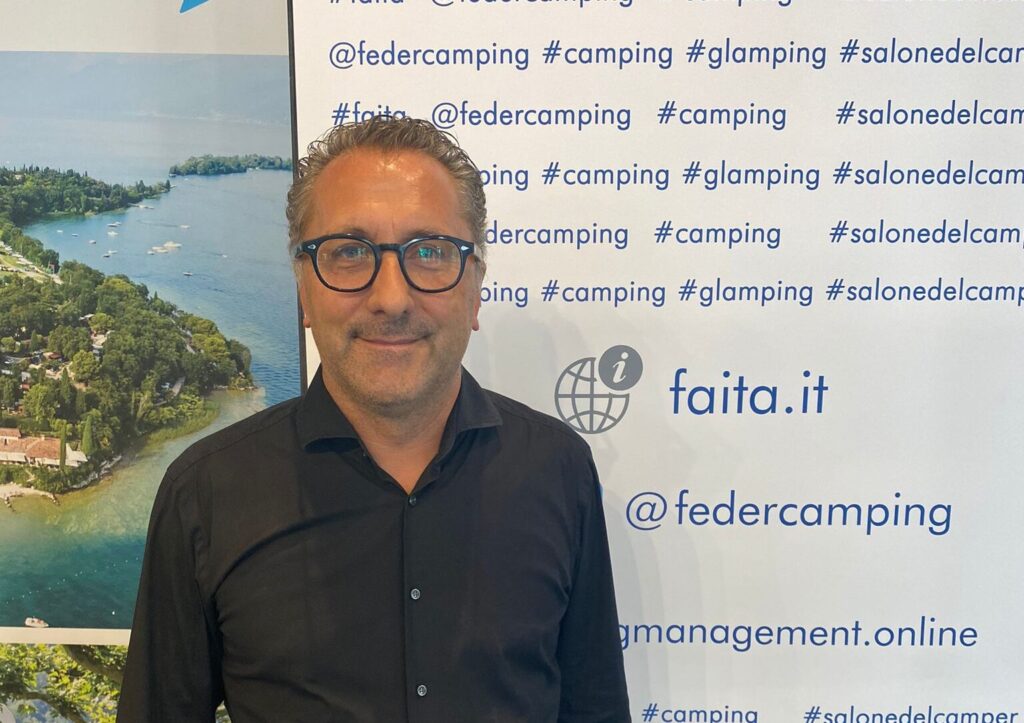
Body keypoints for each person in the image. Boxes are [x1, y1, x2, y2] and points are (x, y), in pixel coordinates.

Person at [117, 116, 631, 722]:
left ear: (476, 289)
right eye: (350, 252)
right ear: (304, 291)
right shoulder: (205, 492)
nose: (391, 298)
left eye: (430, 252)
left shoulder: (557, 469)